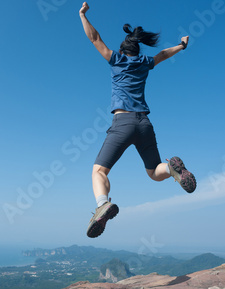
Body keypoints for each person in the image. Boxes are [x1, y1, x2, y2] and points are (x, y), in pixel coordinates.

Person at [79, 2, 197, 238]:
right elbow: (163, 54)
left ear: (122, 52)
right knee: (154, 171)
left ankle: (102, 204)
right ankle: (173, 170)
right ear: (138, 52)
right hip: (144, 124)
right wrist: (182, 46)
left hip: (122, 123)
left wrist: (82, 15)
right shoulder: (144, 63)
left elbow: (95, 38)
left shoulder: (116, 61)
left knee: (99, 172)